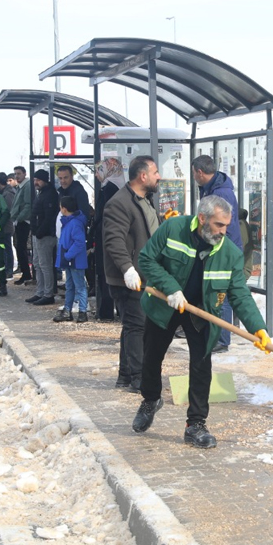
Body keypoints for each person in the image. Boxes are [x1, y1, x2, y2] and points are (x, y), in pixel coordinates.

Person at [132, 195, 271, 449]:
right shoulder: (173, 229)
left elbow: (239, 292)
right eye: (219, 225)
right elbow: (146, 259)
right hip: (165, 303)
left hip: (202, 309)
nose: (223, 232)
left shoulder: (229, 253)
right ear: (202, 219)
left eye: (226, 226)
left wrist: (258, 327)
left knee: (201, 365)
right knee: (151, 356)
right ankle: (150, 399)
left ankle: (195, 424)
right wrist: (171, 288)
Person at [102, 155, 161, 392]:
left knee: (132, 326)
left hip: (143, 275)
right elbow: (113, 240)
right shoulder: (120, 203)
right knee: (138, 327)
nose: (159, 177)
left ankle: (125, 375)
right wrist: (127, 269)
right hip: (128, 278)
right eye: (155, 172)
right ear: (143, 176)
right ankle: (138, 377)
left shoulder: (144, 200)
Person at [192, 155, 242, 353]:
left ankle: (222, 338)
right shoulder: (215, 188)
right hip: (220, 245)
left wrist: (218, 246)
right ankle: (216, 334)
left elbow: (224, 226)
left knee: (223, 293)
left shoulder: (220, 193)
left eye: (195, 173)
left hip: (223, 247)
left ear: (200, 172)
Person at [93, 158, 125, 321]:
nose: (97, 175)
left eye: (99, 170)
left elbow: (104, 215)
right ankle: (117, 310)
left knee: (106, 273)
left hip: (106, 236)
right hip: (112, 235)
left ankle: (106, 311)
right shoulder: (119, 187)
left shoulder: (109, 189)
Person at [54, 195, 89, 323]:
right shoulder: (71, 222)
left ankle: (82, 311)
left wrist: (67, 255)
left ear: (64, 209)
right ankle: (68, 310)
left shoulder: (74, 223)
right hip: (71, 260)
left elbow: (79, 242)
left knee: (79, 286)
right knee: (70, 286)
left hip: (74, 260)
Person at [27, 169, 59, 306]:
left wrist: (40, 231)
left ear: (45, 180)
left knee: (45, 265)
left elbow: (49, 216)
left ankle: (48, 294)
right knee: (37, 264)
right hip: (37, 234)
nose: (36, 183)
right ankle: (40, 292)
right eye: (34, 180)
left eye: (38, 180)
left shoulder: (50, 194)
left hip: (44, 236)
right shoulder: (41, 194)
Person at [9, 166, 34, 285]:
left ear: (24, 173)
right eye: (15, 174)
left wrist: (19, 218)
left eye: (19, 173)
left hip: (24, 221)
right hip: (19, 221)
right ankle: (25, 273)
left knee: (21, 247)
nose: (17, 176)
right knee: (19, 247)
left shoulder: (27, 186)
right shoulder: (20, 186)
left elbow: (28, 205)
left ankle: (26, 274)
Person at [0, 172, 17, 283]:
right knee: (4, 248)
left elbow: (7, 211)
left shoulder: (7, 194)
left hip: (7, 225)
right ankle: (5, 270)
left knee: (7, 248)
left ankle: (9, 270)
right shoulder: (6, 192)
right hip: (4, 225)